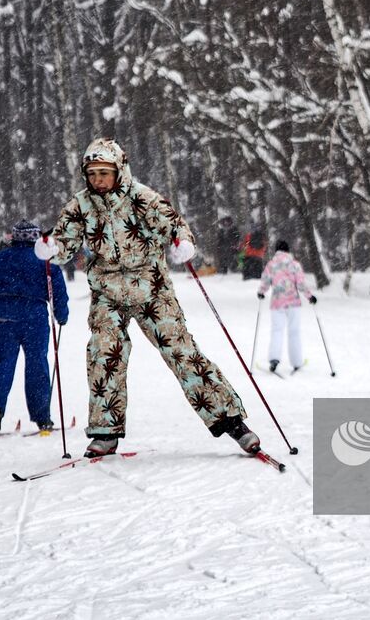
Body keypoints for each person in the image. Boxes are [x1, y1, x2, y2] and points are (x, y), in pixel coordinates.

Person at [39, 138, 260, 458]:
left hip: (151, 287)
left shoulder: (142, 198)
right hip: (107, 291)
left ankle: (233, 422)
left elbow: (175, 225)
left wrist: (182, 243)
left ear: (119, 171)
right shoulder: (80, 205)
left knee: (181, 350)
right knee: (104, 350)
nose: (98, 179)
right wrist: (51, 249)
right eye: (92, 173)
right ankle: (105, 431)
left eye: (105, 172)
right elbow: (65, 242)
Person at [0, 220, 68, 435]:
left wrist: (8, 289)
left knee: (2, 364)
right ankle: (42, 418)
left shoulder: (2, 258)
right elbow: (57, 289)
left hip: (3, 317)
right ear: (36, 237)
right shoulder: (44, 259)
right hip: (35, 318)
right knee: (37, 365)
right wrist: (61, 315)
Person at [257, 240, 317, 373]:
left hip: (277, 302)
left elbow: (265, 281)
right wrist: (310, 296)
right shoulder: (295, 265)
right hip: (293, 303)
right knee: (294, 332)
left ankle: (274, 359)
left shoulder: (271, 265)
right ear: (287, 250)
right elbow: (301, 284)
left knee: (277, 331)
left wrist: (261, 292)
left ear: (276, 251)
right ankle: (296, 362)